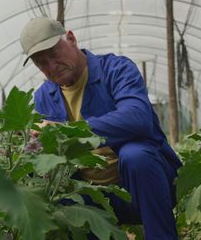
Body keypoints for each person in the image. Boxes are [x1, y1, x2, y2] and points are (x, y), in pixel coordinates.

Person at [20, 17, 182, 240]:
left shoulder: (116, 69)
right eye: (41, 63)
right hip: (89, 200)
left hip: (140, 189)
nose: (51, 66)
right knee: (49, 187)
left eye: (54, 54)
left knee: (136, 155)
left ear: (71, 39)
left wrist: (67, 131)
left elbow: (138, 117)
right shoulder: (43, 98)